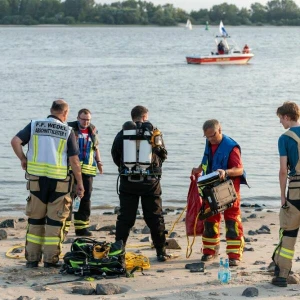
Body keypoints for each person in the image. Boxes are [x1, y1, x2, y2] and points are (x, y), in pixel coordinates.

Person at [11, 99, 84, 268]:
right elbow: (74, 161)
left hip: (36, 181)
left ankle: (32, 259)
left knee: (35, 220)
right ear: (65, 113)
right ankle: (50, 260)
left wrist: (23, 159)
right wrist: (80, 183)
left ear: (51, 110)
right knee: (54, 222)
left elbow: (15, 141)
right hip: (59, 183)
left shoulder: (35, 125)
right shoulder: (67, 130)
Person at [111, 105, 169, 262]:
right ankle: (161, 251)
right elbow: (162, 154)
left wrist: (126, 168)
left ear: (133, 117)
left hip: (128, 181)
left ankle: (118, 251)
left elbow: (115, 154)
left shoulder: (123, 133)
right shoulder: (153, 132)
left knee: (125, 218)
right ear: (145, 117)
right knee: (155, 217)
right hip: (150, 182)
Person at [192, 119, 247, 267]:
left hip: (229, 189)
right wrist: (198, 169)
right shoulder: (209, 143)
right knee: (210, 219)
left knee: (232, 221)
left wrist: (226, 171)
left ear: (220, 130)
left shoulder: (231, 147)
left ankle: (234, 255)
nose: (211, 139)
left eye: (213, 135)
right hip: (211, 187)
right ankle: (210, 251)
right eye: (207, 137)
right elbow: (207, 160)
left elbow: (240, 170)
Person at [272, 101, 300, 287]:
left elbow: (283, 170)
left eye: (281, 119)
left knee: (289, 233)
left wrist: (282, 196)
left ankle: (282, 275)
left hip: (296, 191)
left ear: (287, 117)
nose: (280, 122)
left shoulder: (285, 138)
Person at [66, 108, 103, 237]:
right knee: (69, 198)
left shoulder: (93, 130)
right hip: (71, 170)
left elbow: (96, 148)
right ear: (78, 118)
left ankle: (82, 228)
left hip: (88, 170)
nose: (86, 122)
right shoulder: (69, 129)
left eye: (88, 120)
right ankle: (64, 227)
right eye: (83, 119)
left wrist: (99, 162)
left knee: (85, 199)